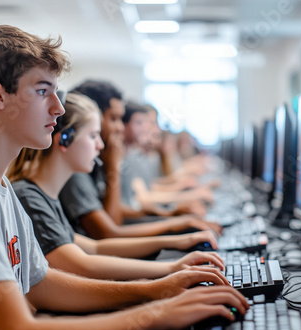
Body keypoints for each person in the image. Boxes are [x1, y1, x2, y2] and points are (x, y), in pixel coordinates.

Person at [0, 25, 248, 330]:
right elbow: (14, 328)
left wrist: (157, 288)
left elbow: (41, 283)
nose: (57, 107)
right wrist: (157, 313)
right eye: (42, 91)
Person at [7, 92, 225, 280]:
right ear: (64, 139)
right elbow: (83, 263)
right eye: (93, 136)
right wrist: (169, 271)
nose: (101, 145)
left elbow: (95, 248)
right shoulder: (29, 197)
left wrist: (181, 242)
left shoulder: (46, 196)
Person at [60, 80, 222, 239]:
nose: (120, 128)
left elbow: (122, 206)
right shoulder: (78, 168)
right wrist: (174, 223)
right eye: (114, 119)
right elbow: (108, 229)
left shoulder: (96, 162)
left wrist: (168, 213)